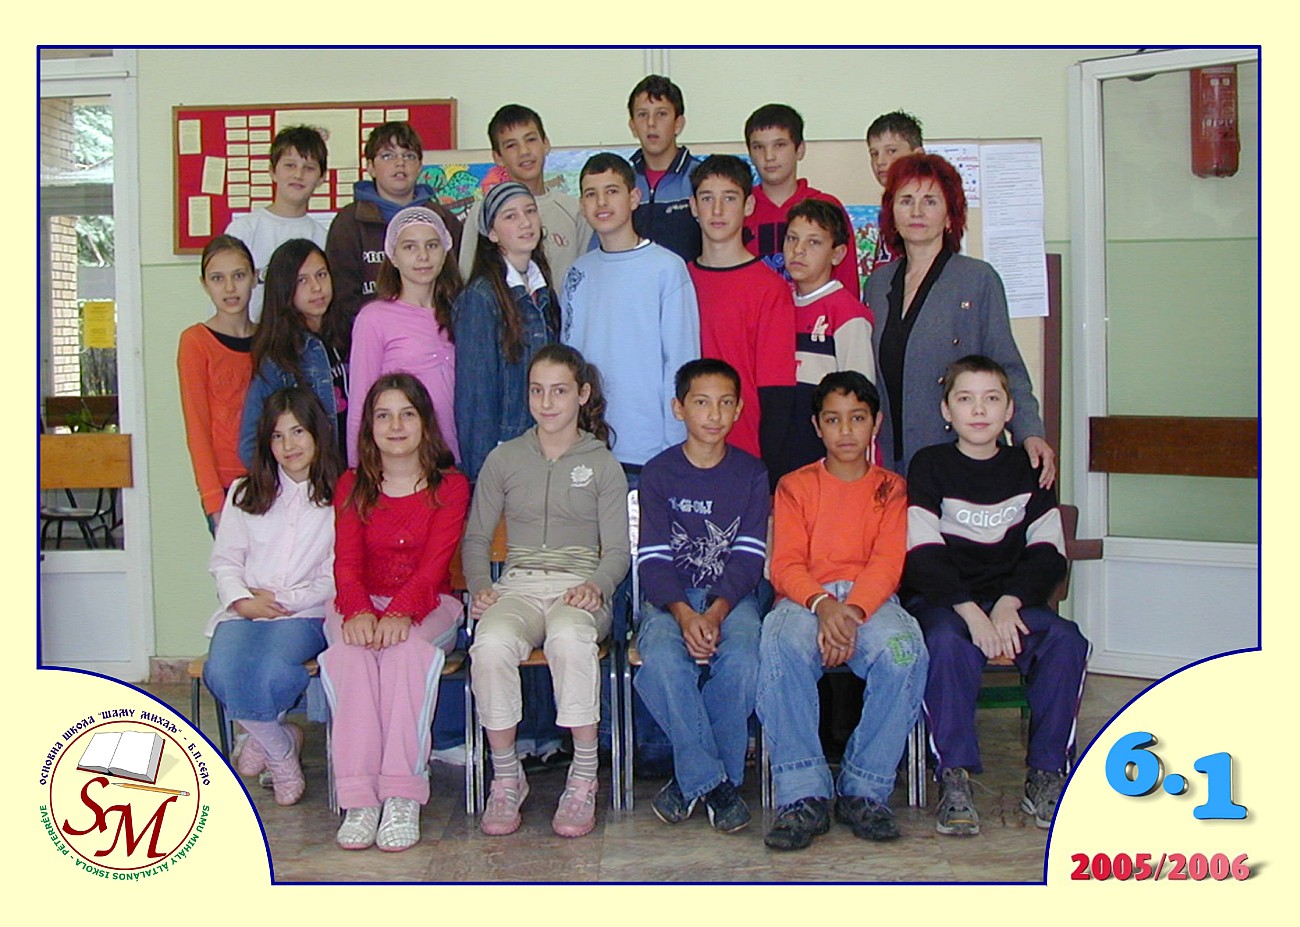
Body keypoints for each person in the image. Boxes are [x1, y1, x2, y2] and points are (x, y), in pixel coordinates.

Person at [905, 355, 1089, 835]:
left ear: (1009, 411)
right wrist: (971, 614)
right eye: (965, 399)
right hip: (948, 605)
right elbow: (922, 554)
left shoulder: (1029, 468)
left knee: (1066, 640)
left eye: (991, 399)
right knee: (944, 645)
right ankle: (954, 777)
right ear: (947, 411)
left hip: (1012, 605)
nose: (979, 410)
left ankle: (1047, 773)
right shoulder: (929, 465)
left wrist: (1009, 603)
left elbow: (1049, 552)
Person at [462, 344, 630, 839]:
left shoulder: (602, 464)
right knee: (490, 644)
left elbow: (618, 550)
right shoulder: (504, 458)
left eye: (559, 391)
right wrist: (480, 586)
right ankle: (506, 777)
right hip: (517, 586)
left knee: (570, 640)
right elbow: (476, 538)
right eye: (537, 391)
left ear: (582, 394)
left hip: (577, 589)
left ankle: (583, 776)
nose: (547, 402)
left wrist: (597, 585)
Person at [757, 371, 928, 851]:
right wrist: (824, 604)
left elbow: (888, 562)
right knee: (779, 646)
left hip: (869, 602)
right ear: (817, 426)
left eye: (857, 418)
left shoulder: (892, 488)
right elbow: (785, 564)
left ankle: (864, 788)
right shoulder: (795, 486)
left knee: (905, 652)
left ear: (876, 423)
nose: (846, 430)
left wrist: (851, 610)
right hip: (805, 599)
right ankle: (802, 793)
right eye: (833, 420)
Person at [320, 373, 470, 852]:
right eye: (384, 416)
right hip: (360, 604)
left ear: (425, 422)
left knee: (406, 653)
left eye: (407, 414)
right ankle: (360, 798)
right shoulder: (352, 485)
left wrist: (400, 612)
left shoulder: (450, 486)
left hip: (429, 606)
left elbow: (433, 568)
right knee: (351, 657)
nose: (396, 426)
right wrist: (359, 612)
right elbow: (346, 563)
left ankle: (402, 793)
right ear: (369, 427)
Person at [634, 359, 770, 834]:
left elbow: (749, 558)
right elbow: (653, 559)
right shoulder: (659, 473)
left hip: (732, 599)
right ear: (679, 408)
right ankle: (716, 783)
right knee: (661, 658)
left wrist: (714, 612)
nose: (714, 414)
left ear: (738, 410)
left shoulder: (751, 474)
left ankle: (692, 779)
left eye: (725, 403)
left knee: (745, 659)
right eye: (701, 402)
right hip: (668, 599)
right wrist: (683, 614)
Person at [865, 152, 1055, 483]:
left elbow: (1006, 365)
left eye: (930, 201)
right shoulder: (878, 284)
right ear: (892, 213)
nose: (916, 211)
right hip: (890, 457)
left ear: (950, 216)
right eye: (906, 200)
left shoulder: (977, 279)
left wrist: (1029, 431)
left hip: (961, 452)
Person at [204, 387, 342, 806]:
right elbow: (225, 560)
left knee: (272, 671)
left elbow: (336, 573)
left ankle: (263, 738)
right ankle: (280, 746)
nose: (288, 445)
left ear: (317, 434)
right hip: (245, 610)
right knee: (221, 669)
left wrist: (285, 601)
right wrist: (243, 601)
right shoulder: (244, 492)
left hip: (305, 613)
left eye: (298, 432)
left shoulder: (341, 495)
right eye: (278, 436)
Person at [561, 152, 700, 477]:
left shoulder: (667, 268)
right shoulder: (577, 272)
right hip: (586, 445)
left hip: (648, 451)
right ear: (582, 205)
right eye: (591, 194)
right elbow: (567, 362)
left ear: (634, 198)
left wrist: (675, 446)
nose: (601, 202)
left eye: (612, 191)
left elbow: (681, 363)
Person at [687, 153, 797, 486]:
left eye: (730, 198)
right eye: (707, 198)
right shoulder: (677, 279)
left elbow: (777, 393)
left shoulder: (770, 288)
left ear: (749, 205)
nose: (717, 210)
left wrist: (770, 474)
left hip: (743, 457)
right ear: (693, 206)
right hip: (683, 453)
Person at [453, 181, 559, 481]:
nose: (525, 222)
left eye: (530, 211)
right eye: (510, 216)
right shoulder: (481, 298)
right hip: (505, 452)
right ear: (492, 233)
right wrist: (481, 476)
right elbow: (475, 399)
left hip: (545, 444)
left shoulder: (543, 290)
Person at [346, 205, 463, 467]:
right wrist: (358, 471)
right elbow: (360, 406)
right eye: (410, 247)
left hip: (458, 460)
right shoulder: (374, 318)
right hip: (402, 466)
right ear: (393, 256)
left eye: (432, 245)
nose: (423, 256)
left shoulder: (462, 313)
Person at [325, 121, 463, 326]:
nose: (400, 163)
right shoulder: (349, 222)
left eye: (409, 156)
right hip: (368, 332)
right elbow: (342, 296)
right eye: (388, 156)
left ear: (420, 166)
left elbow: (459, 285)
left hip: (436, 331)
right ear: (370, 167)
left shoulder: (443, 220)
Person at [783, 198, 876, 471]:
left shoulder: (848, 314)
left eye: (814, 242)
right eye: (792, 239)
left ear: (837, 254)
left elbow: (861, 401)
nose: (798, 250)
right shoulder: (778, 305)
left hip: (830, 457)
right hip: (786, 449)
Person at [238, 239, 350, 465]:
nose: (316, 287)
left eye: (321, 275)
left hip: (355, 472)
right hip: (316, 477)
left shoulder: (350, 333)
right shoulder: (278, 358)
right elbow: (249, 446)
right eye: (302, 280)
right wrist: (292, 479)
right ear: (285, 289)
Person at [458, 104, 592, 286]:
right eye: (511, 145)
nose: (524, 152)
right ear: (498, 157)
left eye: (531, 140)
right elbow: (468, 278)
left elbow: (585, 277)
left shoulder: (574, 210)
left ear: (546, 144)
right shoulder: (483, 211)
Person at [178, 234, 256, 533]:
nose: (230, 288)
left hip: (272, 478)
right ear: (204, 284)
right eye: (217, 278)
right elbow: (196, 427)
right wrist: (213, 501)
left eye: (239, 276)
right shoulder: (195, 342)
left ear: (254, 277)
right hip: (226, 485)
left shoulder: (269, 338)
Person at [743, 103, 860, 299]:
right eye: (758, 147)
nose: (769, 156)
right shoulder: (739, 209)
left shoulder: (826, 207)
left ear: (800, 150)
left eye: (780, 145)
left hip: (816, 317)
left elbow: (846, 283)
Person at [225, 125, 329, 323]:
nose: (298, 175)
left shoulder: (322, 238)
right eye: (290, 165)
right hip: (252, 335)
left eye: (309, 168)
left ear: (321, 178)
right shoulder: (243, 230)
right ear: (272, 171)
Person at [626, 74, 702, 263]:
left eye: (661, 114)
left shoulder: (701, 179)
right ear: (633, 126)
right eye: (642, 114)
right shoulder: (623, 183)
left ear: (678, 124)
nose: (651, 123)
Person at [863, 110, 924, 277]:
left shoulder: (923, 209)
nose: (880, 161)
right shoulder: (888, 207)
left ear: (918, 155)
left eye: (891, 151)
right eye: (874, 154)